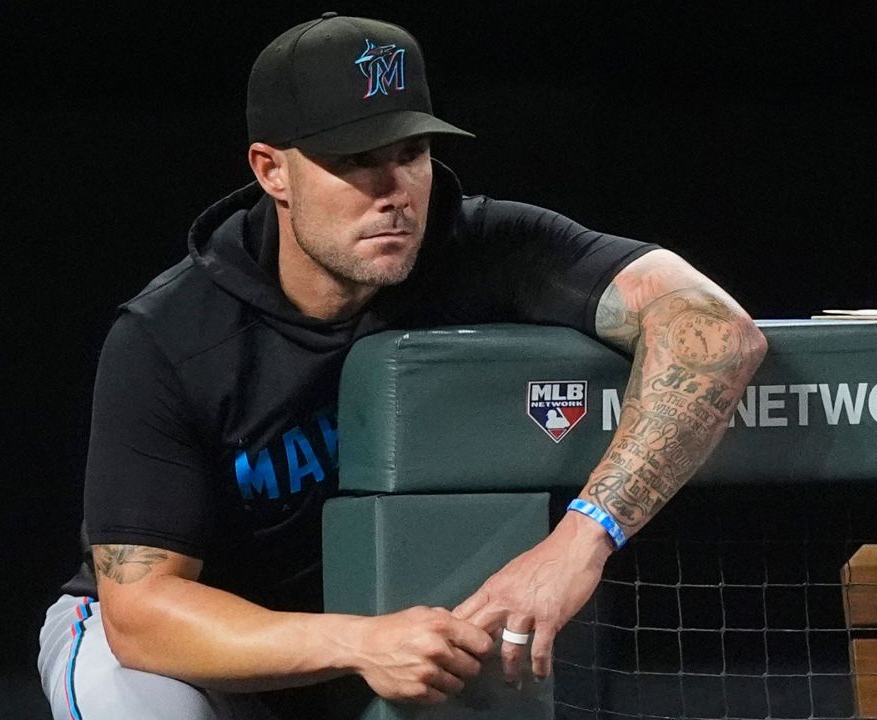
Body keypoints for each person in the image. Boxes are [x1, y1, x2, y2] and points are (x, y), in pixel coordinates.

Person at [37, 12, 766, 720]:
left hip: (406, 651)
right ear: (272, 170)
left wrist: (584, 536)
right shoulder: (171, 334)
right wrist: (358, 641)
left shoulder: (488, 246)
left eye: (410, 152)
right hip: (203, 653)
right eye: (355, 160)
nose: (393, 191)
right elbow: (140, 614)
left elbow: (715, 330)